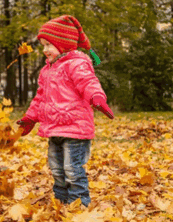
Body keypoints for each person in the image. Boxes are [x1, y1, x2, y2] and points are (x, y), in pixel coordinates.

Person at [16, 15, 114, 207]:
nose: (44, 50)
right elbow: (40, 97)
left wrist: (97, 97)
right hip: (54, 129)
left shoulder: (76, 64)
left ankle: (79, 206)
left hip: (75, 130)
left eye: (48, 45)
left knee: (72, 169)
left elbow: (88, 82)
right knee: (57, 169)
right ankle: (60, 203)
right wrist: (30, 117)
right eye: (43, 45)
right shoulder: (47, 70)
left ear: (63, 44)